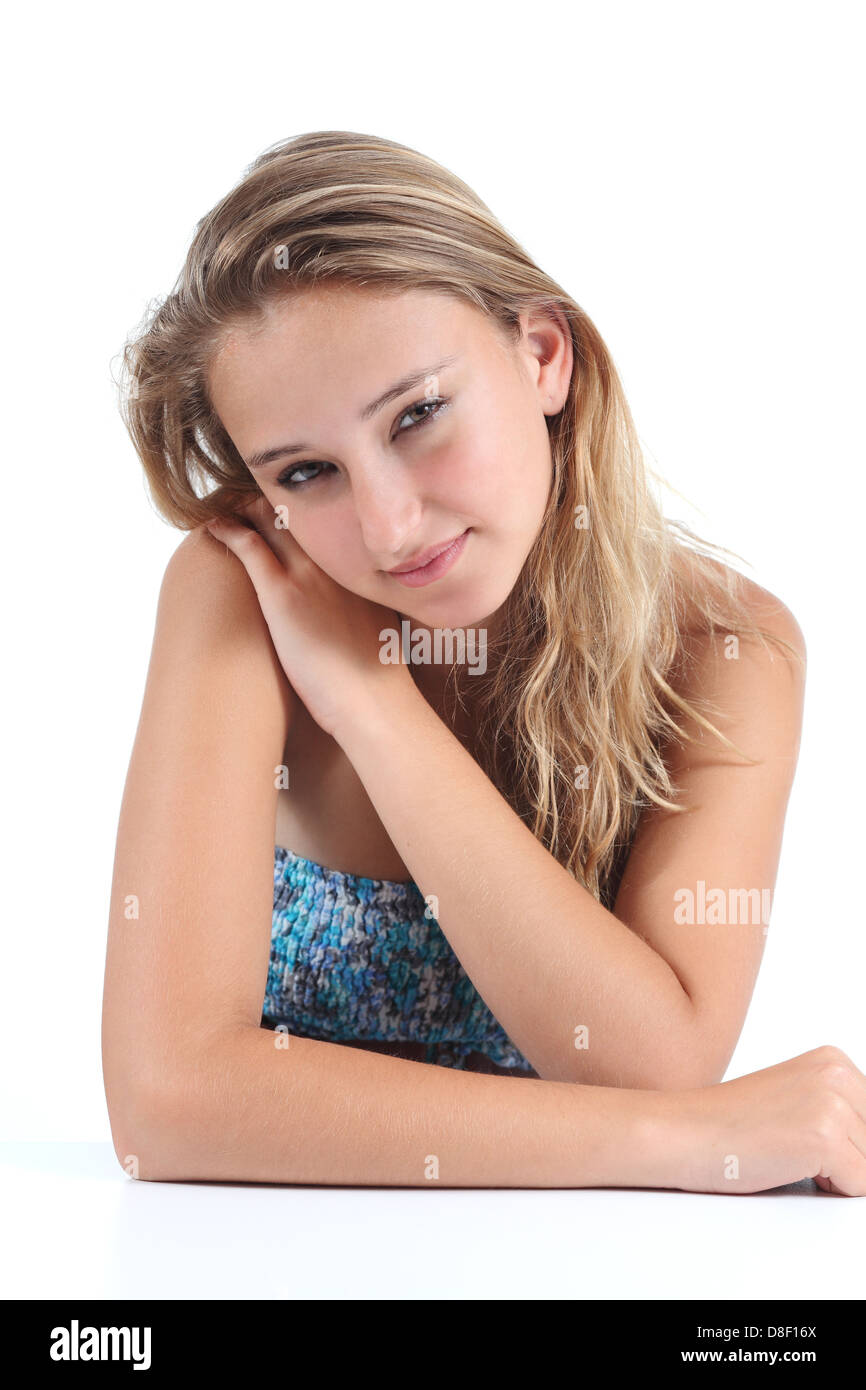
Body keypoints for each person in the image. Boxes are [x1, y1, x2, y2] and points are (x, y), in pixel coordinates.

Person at [101, 129, 865, 1195]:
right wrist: (676, 1142)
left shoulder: (724, 649)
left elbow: (655, 1061)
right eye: (307, 469)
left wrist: (374, 710)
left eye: (415, 414)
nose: (387, 523)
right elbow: (167, 1102)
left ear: (540, 354)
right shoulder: (241, 587)